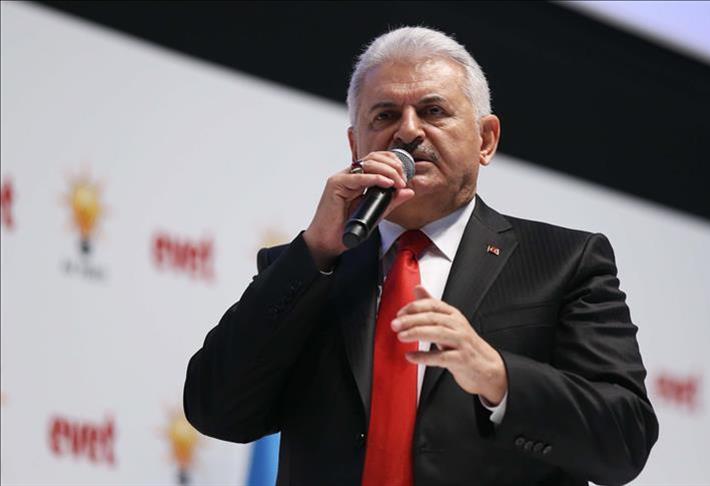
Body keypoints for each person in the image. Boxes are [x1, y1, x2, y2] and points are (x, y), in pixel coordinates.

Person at [184, 26, 658, 486]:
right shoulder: (309, 267)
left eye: (433, 111)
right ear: (355, 145)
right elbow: (214, 409)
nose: (408, 132)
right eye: (384, 115)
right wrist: (316, 250)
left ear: (486, 140)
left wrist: (499, 377)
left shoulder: (564, 263)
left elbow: (625, 438)